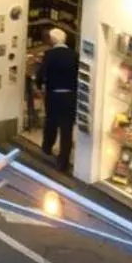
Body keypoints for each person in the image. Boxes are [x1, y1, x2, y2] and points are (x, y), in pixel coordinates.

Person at [37, 27, 79, 174]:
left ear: (52, 40)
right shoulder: (75, 55)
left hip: (53, 95)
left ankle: (47, 148)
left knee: (51, 123)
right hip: (70, 96)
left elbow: (41, 73)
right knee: (66, 130)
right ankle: (63, 162)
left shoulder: (49, 55)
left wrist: (39, 85)